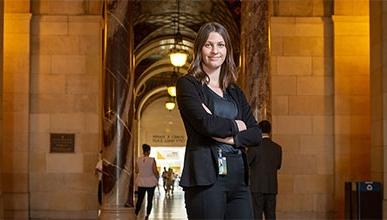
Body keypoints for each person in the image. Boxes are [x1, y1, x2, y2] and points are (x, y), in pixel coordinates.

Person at [176, 22, 262, 219]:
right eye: (208, 45)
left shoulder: (234, 91)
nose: (215, 50)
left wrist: (231, 139)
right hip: (206, 177)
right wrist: (237, 126)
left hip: (239, 177)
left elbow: (256, 134)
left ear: (227, 50)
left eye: (221, 45)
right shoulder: (188, 84)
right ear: (199, 49)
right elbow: (206, 124)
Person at [247, 120, 282, 220]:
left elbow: (246, 163)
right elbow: (278, 166)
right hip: (272, 187)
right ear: (270, 131)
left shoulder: (254, 147)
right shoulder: (277, 148)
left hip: (257, 187)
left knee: (256, 215)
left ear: (259, 131)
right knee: (271, 215)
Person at [135, 144, 159, 219]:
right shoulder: (152, 159)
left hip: (141, 182)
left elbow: (136, 171)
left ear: (143, 151)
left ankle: (135, 214)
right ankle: (147, 215)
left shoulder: (138, 159)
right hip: (151, 182)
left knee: (139, 200)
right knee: (149, 200)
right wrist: (157, 176)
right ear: (149, 151)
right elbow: (155, 171)